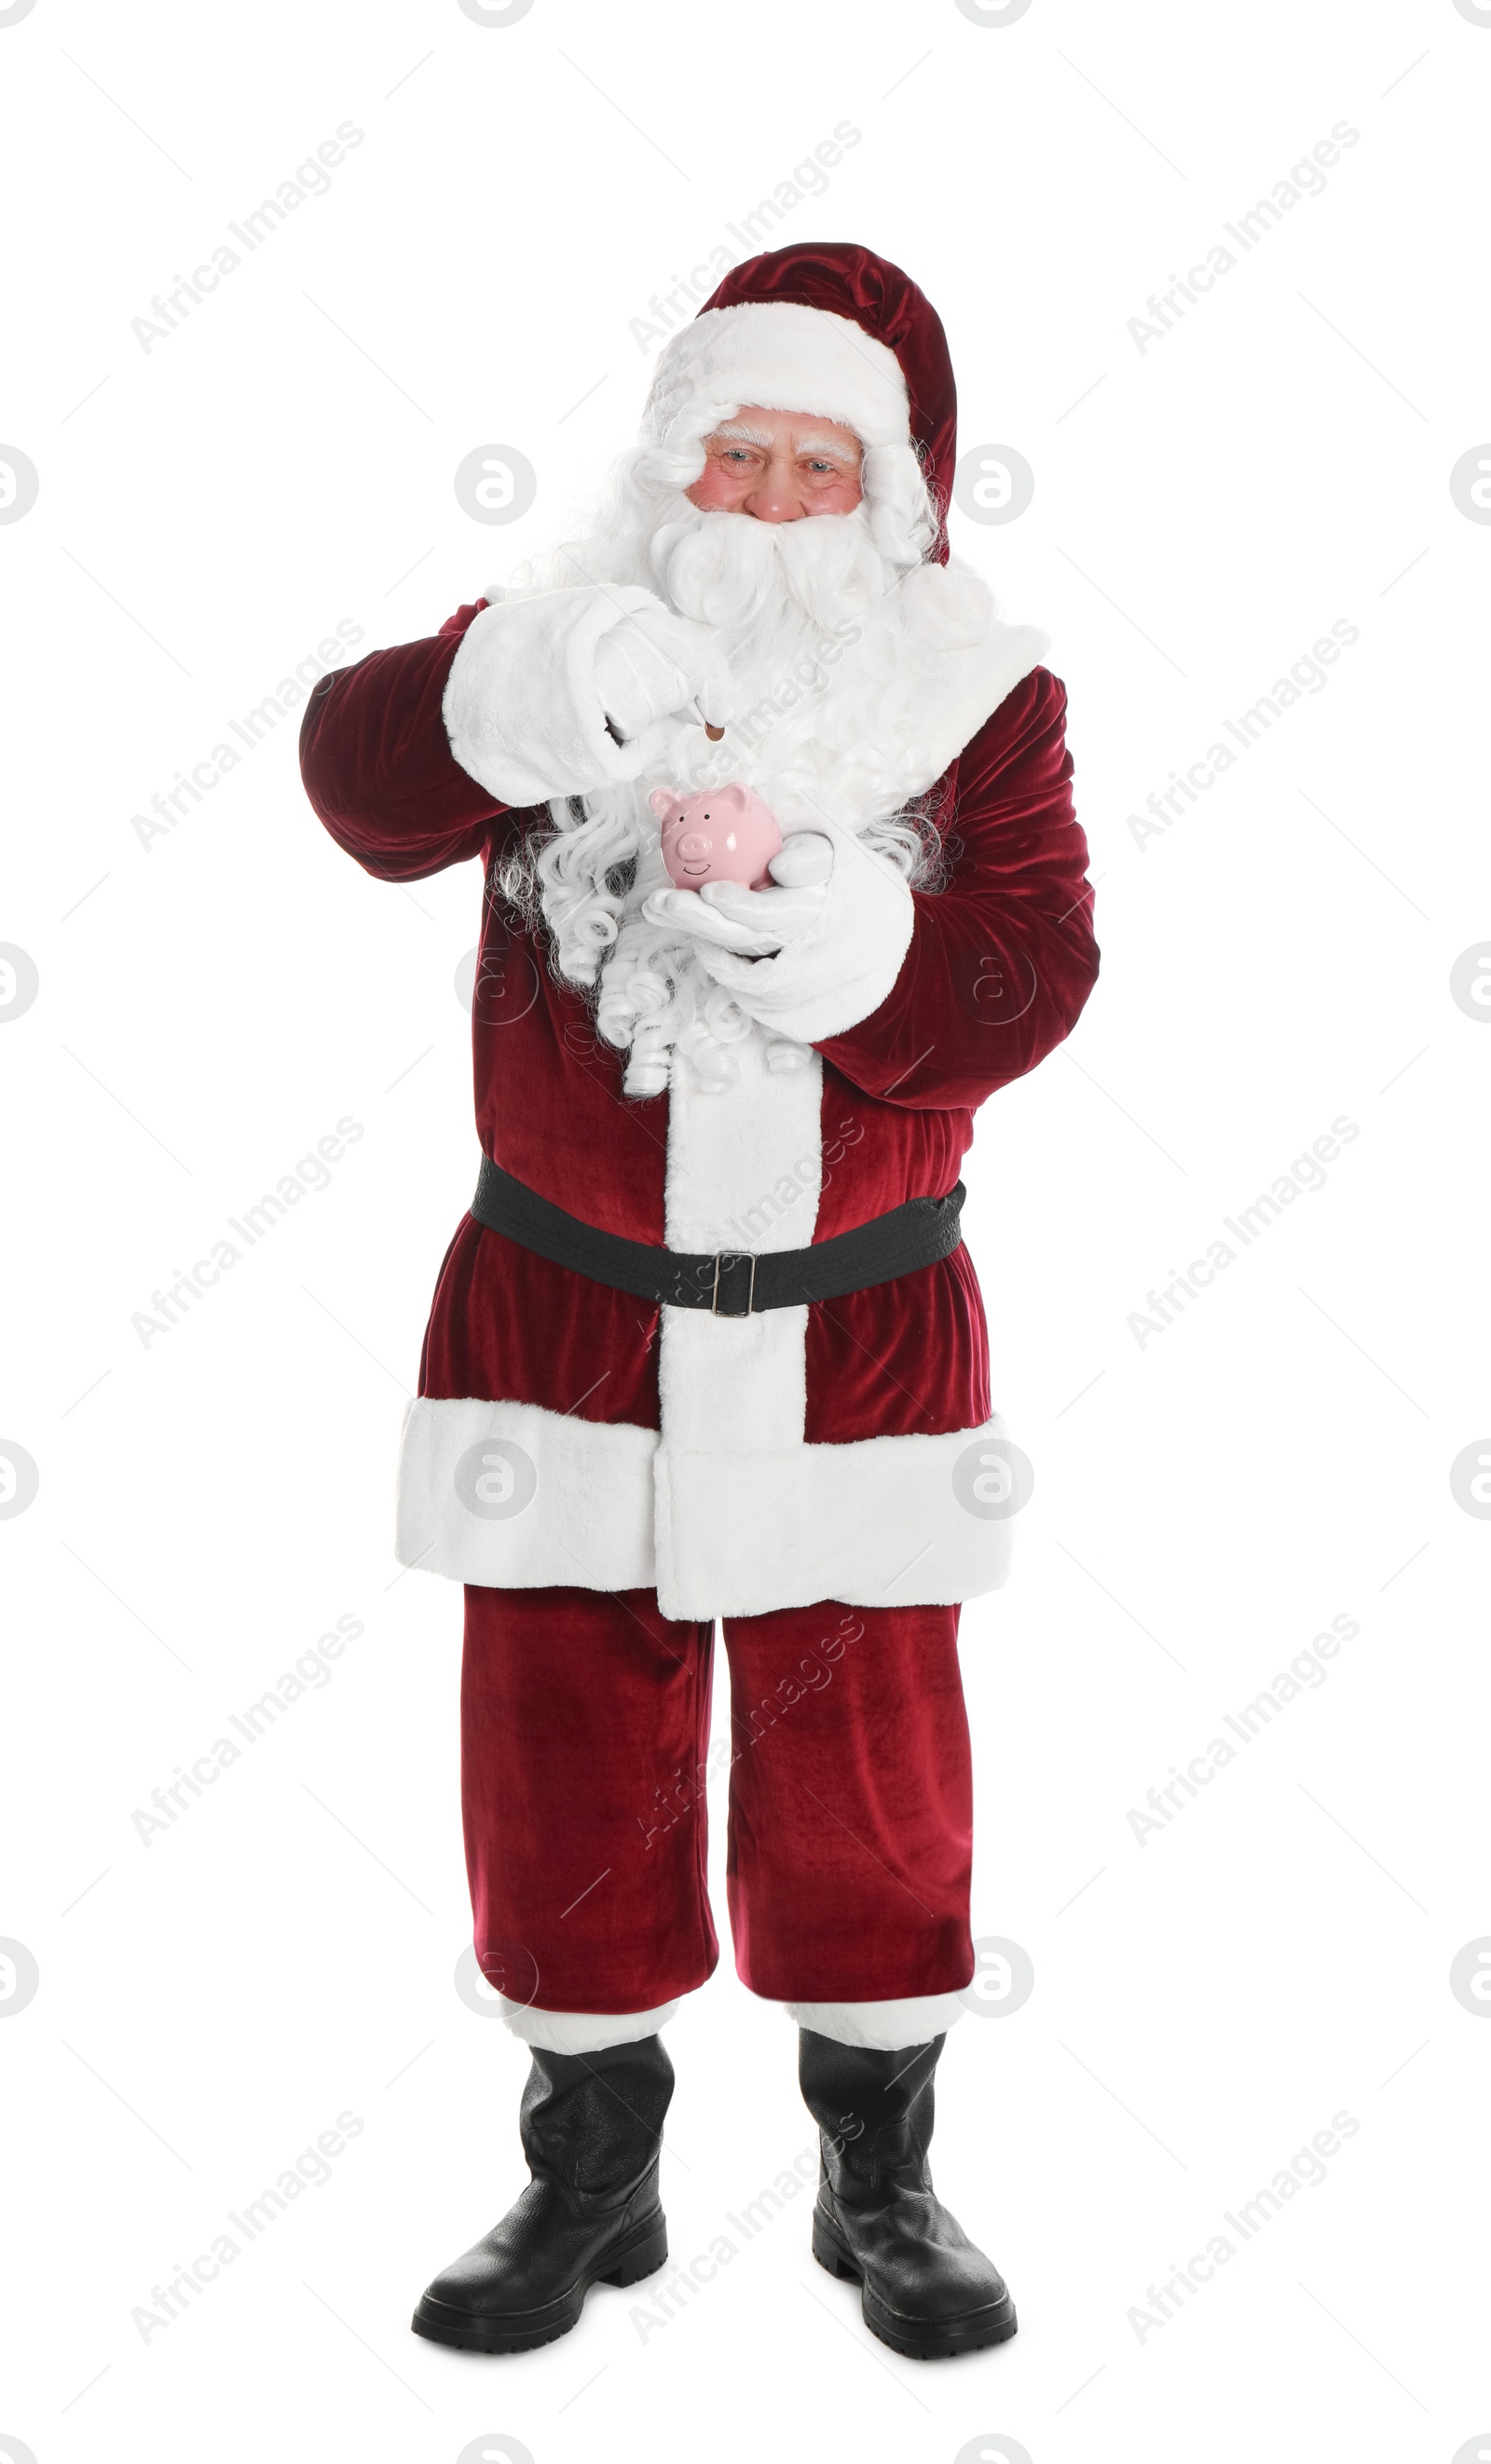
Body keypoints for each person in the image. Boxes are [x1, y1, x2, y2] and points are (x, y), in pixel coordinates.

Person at [300, 240, 1099, 2362]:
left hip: (857, 1326)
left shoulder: (978, 702)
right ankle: (590, 2166)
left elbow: (1033, 982)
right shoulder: (555, 656)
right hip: (559, 1317)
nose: (753, 496)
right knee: (560, 1738)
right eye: (723, 450)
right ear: (670, 466)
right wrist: (517, 688)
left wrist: (858, 947)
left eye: (803, 459)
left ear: (889, 496)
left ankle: (878, 2169)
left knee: (865, 1757)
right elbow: (354, 784)